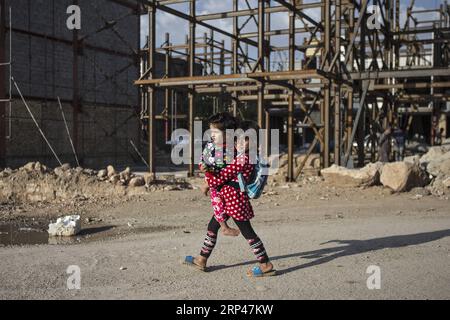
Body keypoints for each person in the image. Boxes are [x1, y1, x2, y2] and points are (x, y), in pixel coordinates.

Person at [185, 120, 276, 277]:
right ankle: (201, 258)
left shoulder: (245, 158)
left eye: (245, 139)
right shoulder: (242, 155)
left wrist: (207, 182)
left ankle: (265, 263)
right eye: (237, 138)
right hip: (229, 200)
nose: (239, 142)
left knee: (248, 232)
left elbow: (223, 176)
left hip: (235, 201)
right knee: (213, 226)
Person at [199, 112, 240, 237]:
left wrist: (208, 182)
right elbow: (203, 159)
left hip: (224, 182)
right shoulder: (211, 145)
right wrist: (204, 169)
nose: (212, 135)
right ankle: (224, 227)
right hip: (213, 179)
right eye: (211, 131)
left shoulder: (232, 148)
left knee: (225, 205)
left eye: (216, 132)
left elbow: (225, 168)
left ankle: (225, 227)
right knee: (217, 203)